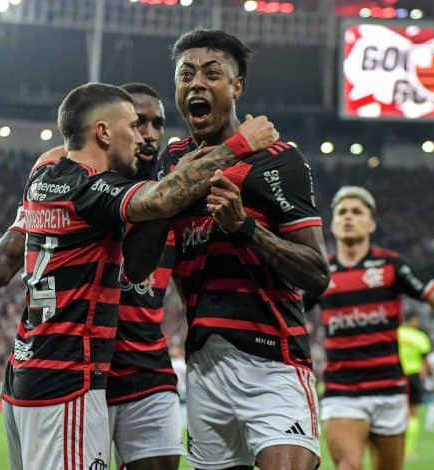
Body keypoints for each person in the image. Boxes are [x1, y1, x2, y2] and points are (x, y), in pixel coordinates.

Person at [0, 82, 279, 470]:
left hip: (63, 372)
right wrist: (238, 145)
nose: (145, 135)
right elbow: (161, 198)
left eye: (157, 124)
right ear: (104, 131)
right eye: (135, 124)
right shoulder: (98, 188)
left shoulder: (47, 174)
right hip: (70, 376)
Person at [126, 29, 331, 470]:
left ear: (237, 87)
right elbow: (138, 266)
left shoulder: (278, 159)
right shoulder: (172, 162)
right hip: (204, 368)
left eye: (211, 73)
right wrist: (170, 193)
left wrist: (245, 229)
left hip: (274, 361)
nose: (196, 83)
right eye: (186, 75)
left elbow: (317, 273)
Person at [315, 186, 434, 470]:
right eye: (342, 212)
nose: (348, 217)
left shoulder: (391, 265)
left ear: (371, 224)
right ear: (333, 224)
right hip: (341, 389)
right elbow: (291, 312)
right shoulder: (321, 272)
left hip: (389, 388)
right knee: (348, 465)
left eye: (357, 212)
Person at [397, 314, 431, 459]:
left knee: (394, 413)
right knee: (412, 414)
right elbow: (425, 361)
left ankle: (394, 450)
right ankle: (409, 451)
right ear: (413, 320)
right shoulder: (419, 337)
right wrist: (429, 375)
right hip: (413, 376)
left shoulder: (396, 334)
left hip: (396, 375)